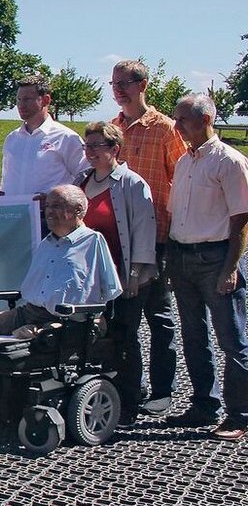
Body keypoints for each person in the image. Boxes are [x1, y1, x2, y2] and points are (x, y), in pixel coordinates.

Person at [164, 94, 248, 440]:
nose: (176, 125)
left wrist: (231, 267)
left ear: (205, 120)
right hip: (183, 256)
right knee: (194, 336)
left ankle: (240, 414)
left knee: (232, 338)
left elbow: (241, 219)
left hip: (215, 257)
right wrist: (172, 260)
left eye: (182, 119)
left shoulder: (228, 162)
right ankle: (203, 404)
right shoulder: (185, 162)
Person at [109, 59, 188, 418]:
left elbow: (183, 179)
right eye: (114, 83)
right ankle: (131, 386)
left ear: (143, 85)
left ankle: (163, 390)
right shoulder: (113, 129)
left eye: (125, 82)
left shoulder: (165, 129)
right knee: (123, 318)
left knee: (158, 316)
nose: (118, 89)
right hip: (118, 239)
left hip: (156, 237)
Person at [0, 185, 122, 342]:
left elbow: (110, 291)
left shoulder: (92, 241)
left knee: (43, 335)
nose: (49, 212)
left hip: (70, 320)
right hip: (31, 312)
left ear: (77, 210)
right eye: (47, 206)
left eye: (56, 206)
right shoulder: (47, 243)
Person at [75, 122, 158, 422]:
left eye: (97, 146)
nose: (90, 152)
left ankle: (130, 399)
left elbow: (143, 231)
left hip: (125, 276)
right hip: (92, 278)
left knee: (125, 336)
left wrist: (134, 274)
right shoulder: (82, 181)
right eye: (87, 146)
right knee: (96, 336)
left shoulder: (132, 184)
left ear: (114, 149)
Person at [0, 74, 85, 200]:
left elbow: (85, 178)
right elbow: (6, 181)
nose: (21, 105)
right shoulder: (12, 138)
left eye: (27, 99)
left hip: (50, 216)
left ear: (46, 100)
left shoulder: (66, 137)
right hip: (14, 215)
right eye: (19, 99)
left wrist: (58, 199)